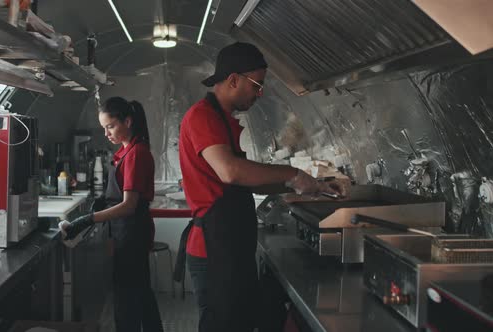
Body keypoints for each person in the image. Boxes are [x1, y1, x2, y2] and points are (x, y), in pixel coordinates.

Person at [174, 42, 345, 332]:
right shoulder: (203, 116)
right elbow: (231, 172)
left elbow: (244, 184)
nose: (260, 93)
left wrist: (310, 185)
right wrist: (292, 174)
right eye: (257, 85)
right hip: (213, 250)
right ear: (233, 80)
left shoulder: (223, 121)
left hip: (229, 246)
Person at [61, 97, 164, 332]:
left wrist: (86, 220)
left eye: (110, 126)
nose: (106, 133)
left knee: (127, 301)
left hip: (132, 233)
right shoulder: (126, 152)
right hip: (126, 232)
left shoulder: (136, 153)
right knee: (141, 296)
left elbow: (129, 205)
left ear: (127, 121)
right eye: (103, 128)